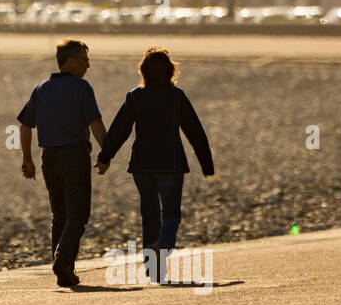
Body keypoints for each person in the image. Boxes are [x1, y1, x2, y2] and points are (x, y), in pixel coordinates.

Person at [95, 47, 214, 284]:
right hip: (170, 164)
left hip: (141, 166)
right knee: (171, 213)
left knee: (149, 215)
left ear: (144, 72)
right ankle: (163, 246)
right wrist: (206, 164)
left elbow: (120, 130)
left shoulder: (135, 97)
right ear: (170, 71)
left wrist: (105, 157)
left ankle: (155, 269)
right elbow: (195, 131)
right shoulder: (176, 96)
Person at [17, 38, 107, 287]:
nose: (88, 65)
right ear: (69, 61)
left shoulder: (41, 89)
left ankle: (63, 271)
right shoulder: (81, 88)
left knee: (60, 215)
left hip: (49, 158)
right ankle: (62, 258)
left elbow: (25, 126)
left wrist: (27, 159)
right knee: (78, 214)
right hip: (74, 156)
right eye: (84, 60)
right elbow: (95, 124)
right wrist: (106, 153)